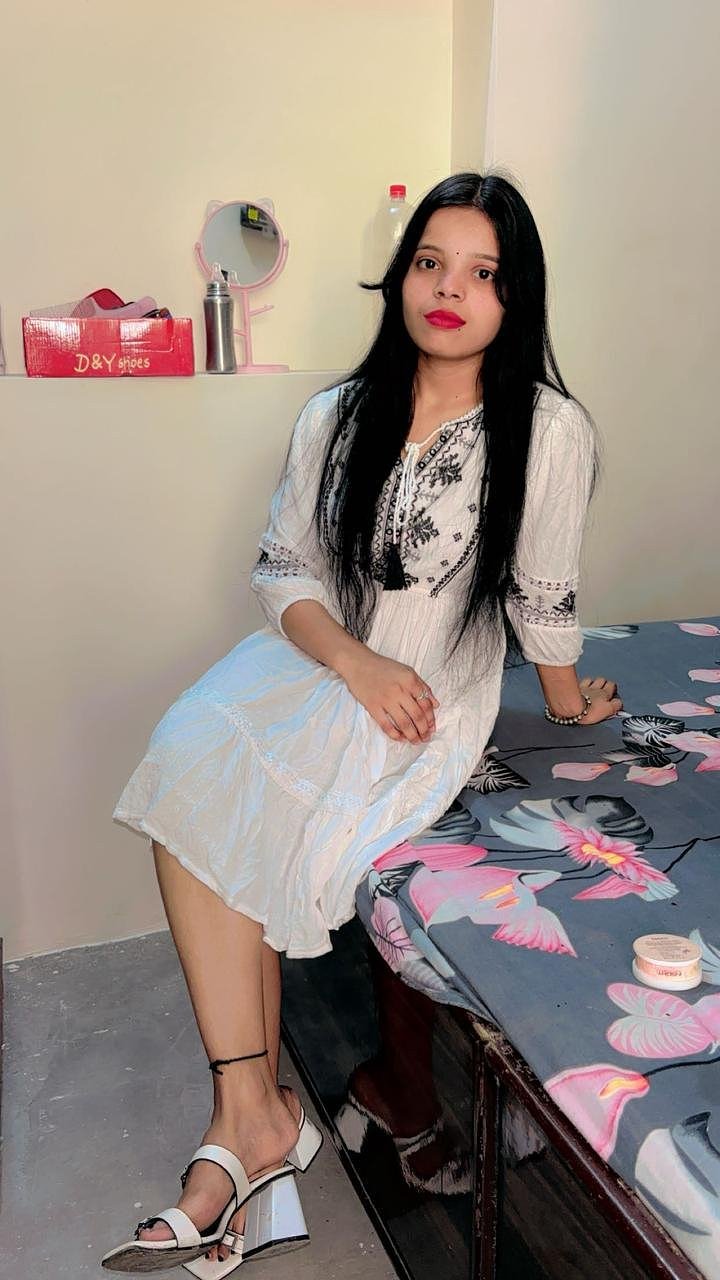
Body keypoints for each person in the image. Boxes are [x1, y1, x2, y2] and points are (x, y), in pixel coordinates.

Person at [101, 171, 622, 1275]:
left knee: (241, 809)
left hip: (428, 695)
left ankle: (251, 1128)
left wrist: (571, 702)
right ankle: (249, 1110)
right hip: (322, 665)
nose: (449, 289)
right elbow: (283, 571)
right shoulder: (334, 415)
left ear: (516, 296)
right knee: (193, 756)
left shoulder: (549, 430)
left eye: (482, 272)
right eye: (431, 262)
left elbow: (543, 600)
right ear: (402, 276)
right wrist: (353, 659)